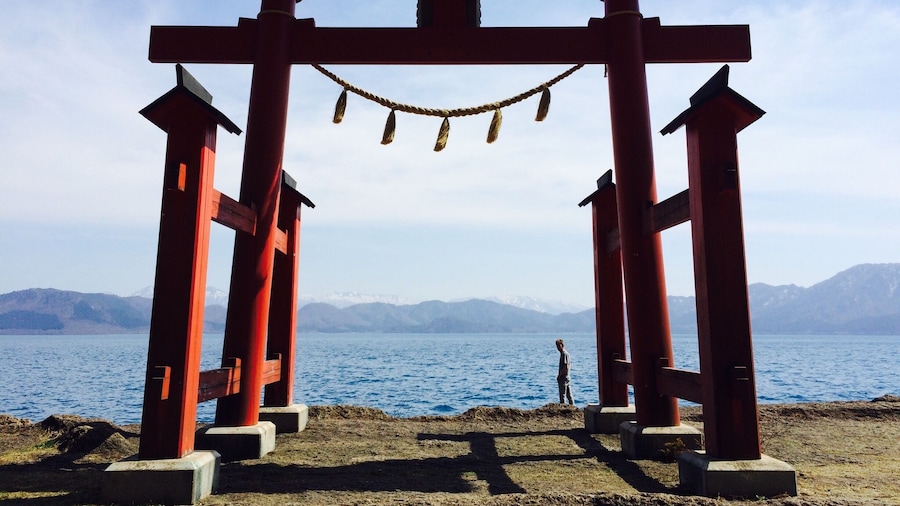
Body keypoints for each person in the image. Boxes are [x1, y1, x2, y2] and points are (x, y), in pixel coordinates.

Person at [556, 338, 574, 405]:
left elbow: (566, 366)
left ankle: (563, 409)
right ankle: (573, 407)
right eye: (557, 346)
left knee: (562, 396)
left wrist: (559, 375)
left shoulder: (564, 354)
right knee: (569, 395)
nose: (557, 347)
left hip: (564, 378)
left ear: (562, 345)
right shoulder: (564, 354)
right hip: (567, 377)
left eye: (558, 345)